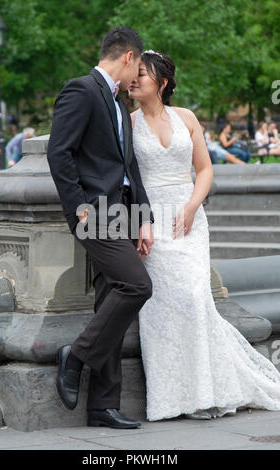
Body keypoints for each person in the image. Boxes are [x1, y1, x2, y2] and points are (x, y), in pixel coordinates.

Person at [128, 50, 280, 421]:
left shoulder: (187, 118)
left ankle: (208, 389)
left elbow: (205, 169)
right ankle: (171, 398)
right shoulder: (126, 124)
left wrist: (193, 206)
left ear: (162, 83)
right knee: (161, 306)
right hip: (153, 222)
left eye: (142, 75)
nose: (133, 80)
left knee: (197, 298)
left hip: (189, 218)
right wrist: (138, 221)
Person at [47, 27, 155, 429]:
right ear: (128, 57)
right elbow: (60, 154)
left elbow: (131, 168)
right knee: (138, 286)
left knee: (111, 299)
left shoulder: (118, 106)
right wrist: (79, 209)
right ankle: (74, 356)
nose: (136, 79)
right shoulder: (81, 90)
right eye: (138, 68)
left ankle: (102, 405)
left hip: (124, 213)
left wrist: (144, 218)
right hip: (97, 214)